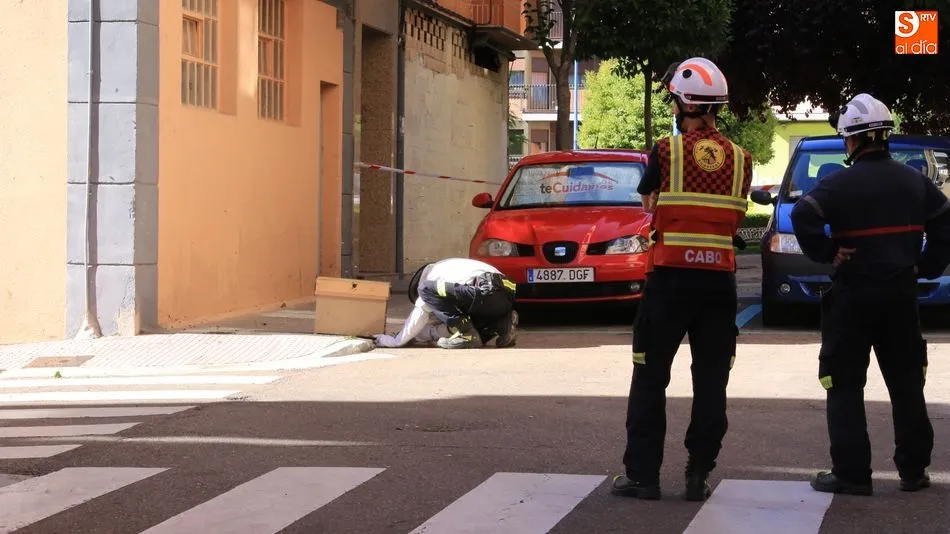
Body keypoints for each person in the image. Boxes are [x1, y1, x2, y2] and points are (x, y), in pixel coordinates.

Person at [790, 93, 950, 496]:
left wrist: (828, 251)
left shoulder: (838, 184)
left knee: (844, 383)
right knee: (906, 383)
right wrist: (927, 265)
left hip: (854, 296)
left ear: (852, 139)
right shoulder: (915, 181)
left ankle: (852, 474)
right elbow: (945, 222)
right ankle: (913, 471)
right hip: (900, 294)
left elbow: (803, 213)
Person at [611, 57, 753, 502]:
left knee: (650, 376)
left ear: (685, 104)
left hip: (669, 281)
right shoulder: (741, 160)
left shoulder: (667, 151)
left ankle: (643, 477)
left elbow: (648, 202)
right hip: (718, 286)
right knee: (711, 381)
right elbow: (734, 216)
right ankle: (698, 473)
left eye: (673, 100)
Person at [373, 258, 519, 350]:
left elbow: (421, 312)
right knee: (476, 330)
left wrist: (398, 340)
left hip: (485, 290)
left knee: (426, 290)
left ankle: (466, 335)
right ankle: (503, 324)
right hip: (506, 293)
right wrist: (417, 335)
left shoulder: (429, 279)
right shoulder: (449, 267)